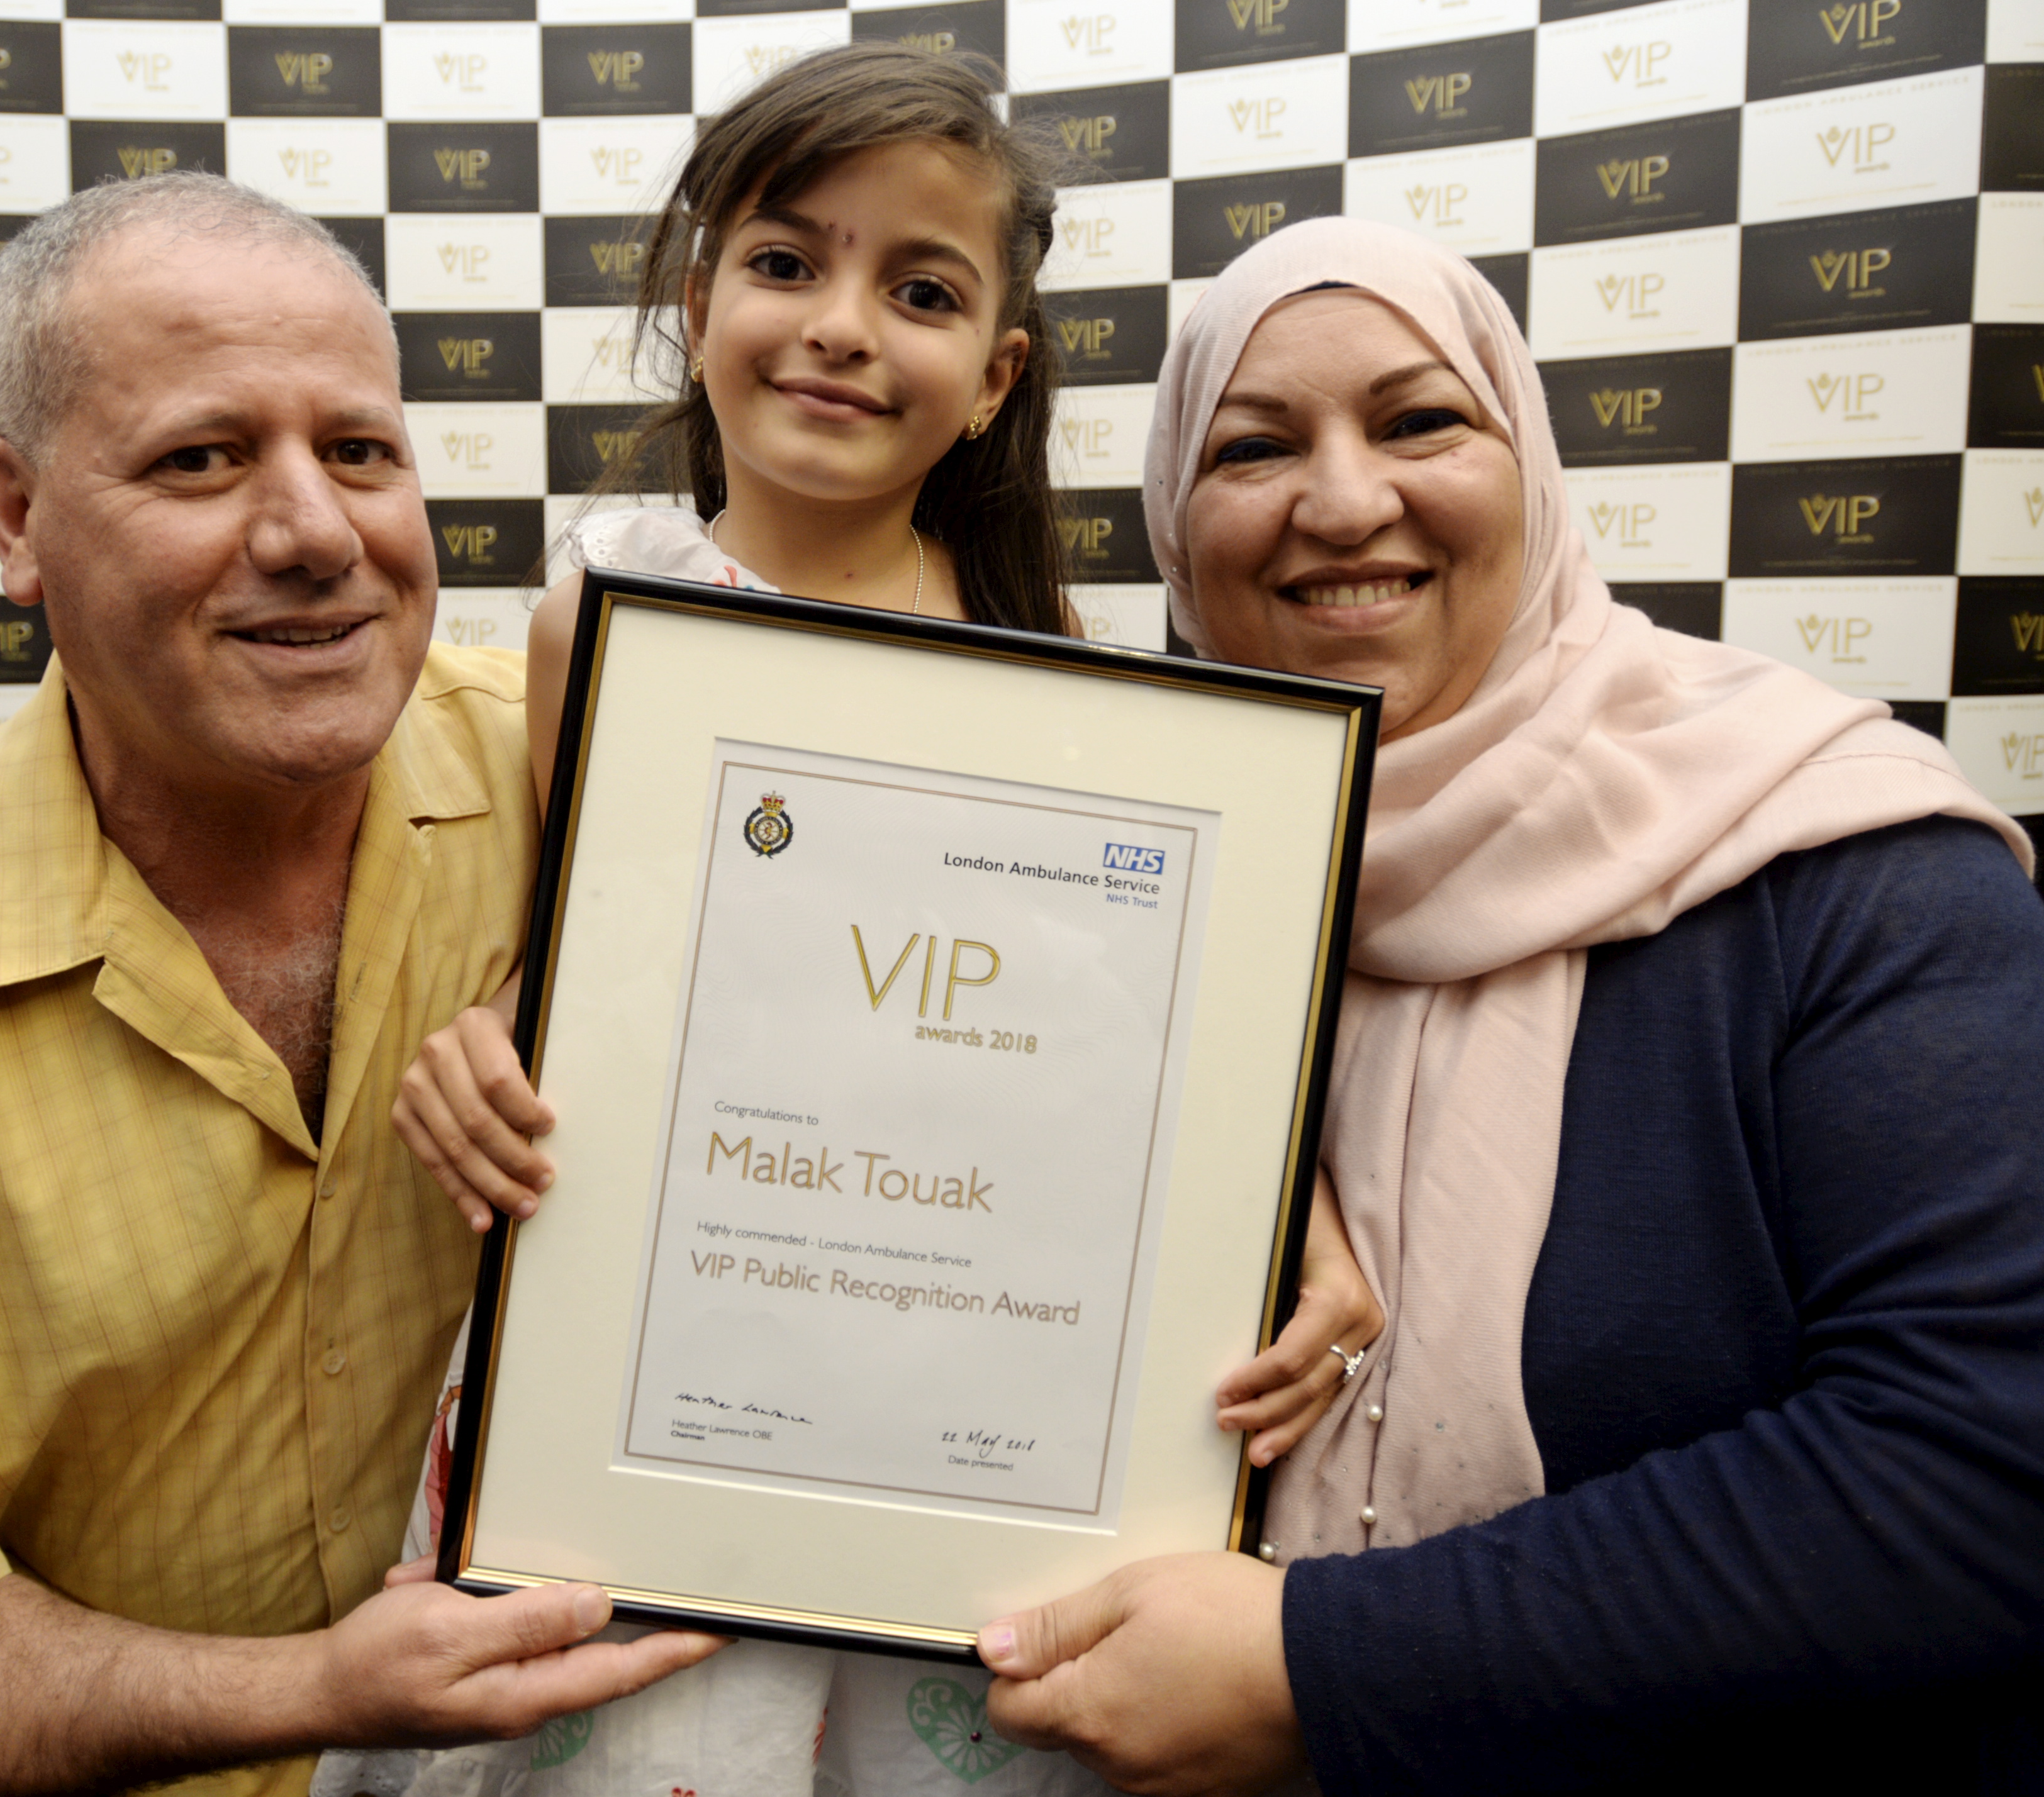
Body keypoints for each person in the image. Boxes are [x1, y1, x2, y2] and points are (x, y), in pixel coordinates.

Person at [317, 49, 1381, 1797]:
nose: (840, 325)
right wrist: (486, 1042)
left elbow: (1182, 1028)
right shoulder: (602, 605)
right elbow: (581, 944)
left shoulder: (1060, 670)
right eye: (787, 261)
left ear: (993, 379)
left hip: (956, 1397)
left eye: (923, 288)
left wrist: (1304, 1219)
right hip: (677, 1356)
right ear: (698, 295)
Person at [976, 217, 2044, 1793]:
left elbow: (1980, 1472)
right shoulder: (1132, 903)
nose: (1342, 502)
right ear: (1171, 527)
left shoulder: (1848, 868)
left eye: (1418, 421)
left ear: (1531, 473)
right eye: (1252, 446)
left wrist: (1310, 1662)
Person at [0, 172, 722, 1797]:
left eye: (360, 451)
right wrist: (315, 1692)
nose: (315, 534)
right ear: (15, 513)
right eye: (200, 457)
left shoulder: (600, 770)